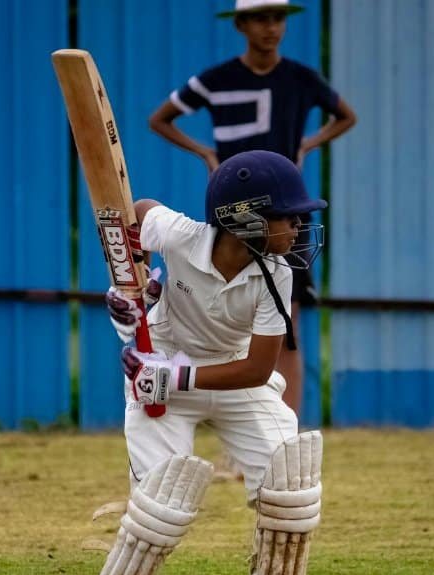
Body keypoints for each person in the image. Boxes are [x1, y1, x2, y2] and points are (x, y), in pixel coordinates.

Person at [71, 151, 328, 575]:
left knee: (291, 486)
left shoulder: (276, 272)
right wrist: (134, 284)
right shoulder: (185, 235)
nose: (299, 225)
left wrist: (178, 376)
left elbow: (258, 370)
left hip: (229, 377)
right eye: (288, 215)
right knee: (159, 505)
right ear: (246, 218)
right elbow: (139, 210)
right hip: (160, 371)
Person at [148, 0, 356, 415]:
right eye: (261, 18)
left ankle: (285, 430)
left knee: (286, 329)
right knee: (229, 327)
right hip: (236, 217)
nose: (271, 27)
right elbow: (161, 118)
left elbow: (345, 116)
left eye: (278, 18)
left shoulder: (300, 78)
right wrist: (205, 153)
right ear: (241, 24)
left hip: (284, 218)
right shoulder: (217, 79)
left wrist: (307, 145)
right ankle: (236, 432)